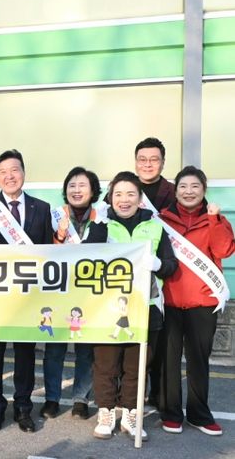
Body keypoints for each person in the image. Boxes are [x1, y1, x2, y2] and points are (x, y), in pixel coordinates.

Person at [86, 171, 177, 441]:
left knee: (137, 366)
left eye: (130, 194)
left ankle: (130, 414)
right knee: (106, 364)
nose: (124, 200)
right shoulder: (102, 225)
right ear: (110, 198)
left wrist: (157, 264)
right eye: (118, 194)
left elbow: (171, 265)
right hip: (107, 308)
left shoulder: (155, 227)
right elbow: (85, 258)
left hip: (146, 307)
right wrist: (98, 226)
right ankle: (105, 412)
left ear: (140, 199)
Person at [0, 149, 53, 433]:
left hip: (28, 295)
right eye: (3, 172)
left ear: (24, 173)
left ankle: (23, 408)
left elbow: (47, 251)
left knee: (25, 354)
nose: (9, 176)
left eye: (14, 170)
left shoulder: (42, 208)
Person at [158, 166, 235, 436]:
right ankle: (171, 413)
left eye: (195, 186)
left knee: (198, 362)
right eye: (183, 186)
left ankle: (199, 414)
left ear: (204, 190)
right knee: (168, 361)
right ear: (175, 190)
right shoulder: (162, 220)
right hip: (169, 302)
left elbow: (224, 249)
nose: (188, 191)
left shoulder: (215, 220)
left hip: (203, 303)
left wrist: (214, 220)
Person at [41, 167, 104, 420]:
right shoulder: (54, 216)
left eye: (82, 186)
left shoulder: (102, 217)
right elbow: (42, 251)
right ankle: (52, 399)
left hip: (88, 292)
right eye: (72, 186)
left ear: (93, 190)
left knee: (85, 348)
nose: (76, 190)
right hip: (59, 291)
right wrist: (59, 235)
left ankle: (81, 399)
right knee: (54, 348)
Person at [134, 137, 176, 410]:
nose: (148, 164)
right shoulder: (126, 189)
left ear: (162, 162)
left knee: (161, 345)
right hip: (133, 283)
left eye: (154, 159)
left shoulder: (175, 192)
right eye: (143, 159)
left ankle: (159, 395)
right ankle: (132, 396)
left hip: (168, 277)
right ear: (135, 162)